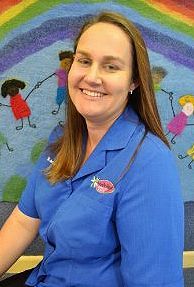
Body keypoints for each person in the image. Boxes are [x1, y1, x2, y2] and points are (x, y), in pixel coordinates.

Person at [0, 11, 184, 287]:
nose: (92, 77)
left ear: (134, 81)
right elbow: (24, 222)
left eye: (111, 67)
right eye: (84, 61)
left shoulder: (150, 164)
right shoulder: (62, 140)